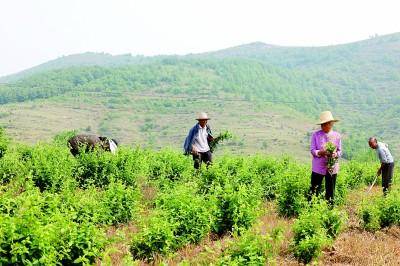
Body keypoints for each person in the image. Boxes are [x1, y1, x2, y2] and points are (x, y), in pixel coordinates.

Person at [309, 111, 342, 204]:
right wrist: (320, 152)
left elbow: (340, 151)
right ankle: (312, 208)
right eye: (322, 124)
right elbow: (312, 150)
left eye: (325, 124)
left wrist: (335, 154)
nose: (322, 126)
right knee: (314, 189)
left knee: (330, 191)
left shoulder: (337, 136)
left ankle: (329, 210)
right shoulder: (316, 135)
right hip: (318, 167)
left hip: (332, 168)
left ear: (331, 124)